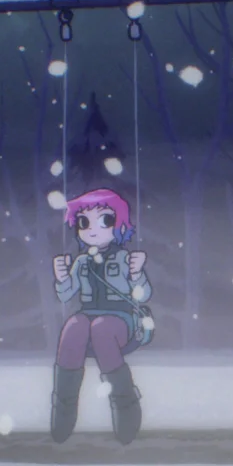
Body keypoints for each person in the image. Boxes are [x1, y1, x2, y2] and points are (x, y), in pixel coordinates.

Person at [51, 188, 151, 445]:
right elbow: (66, 295)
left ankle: (124, 402)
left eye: (104, 220)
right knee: (73, 327)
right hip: (88, 314)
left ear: (119, 224)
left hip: (121, 317)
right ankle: (63, 406)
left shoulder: (124, 258)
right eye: (84, 223)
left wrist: (137, 273)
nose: (93, 229)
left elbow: (143, 294)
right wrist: (62, 279)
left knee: (102, 328)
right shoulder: (82, 263)